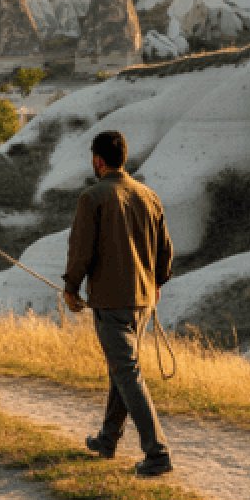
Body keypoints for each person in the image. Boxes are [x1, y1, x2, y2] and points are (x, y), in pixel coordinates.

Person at [63, 130, 175, 478]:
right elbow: (166, 253)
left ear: (98, 161)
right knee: (121, 370)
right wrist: (155, 283)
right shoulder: (149, 196)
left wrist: (71, 287)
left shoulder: (93, 197)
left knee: (127, 373)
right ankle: (108, 440)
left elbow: (81, 249)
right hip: (143, 300)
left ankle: (157, 453)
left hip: (111, 301)